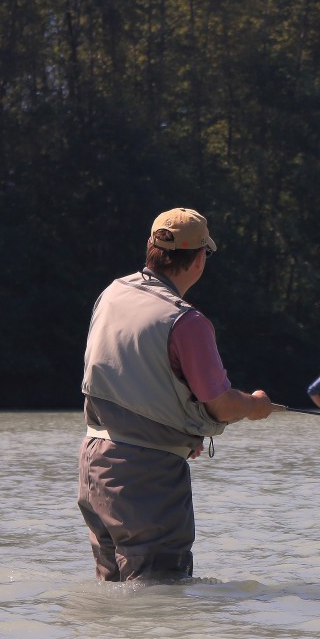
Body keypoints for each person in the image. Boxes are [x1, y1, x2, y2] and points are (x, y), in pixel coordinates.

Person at [78, 207, 275, 582]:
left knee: (113, 590)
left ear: (150, 247)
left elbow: (123, 380)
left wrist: (179, 433)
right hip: (146, 476)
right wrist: (255, 406)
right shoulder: (186, 321)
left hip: (93, 465)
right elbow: (220, 404)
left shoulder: (112, 294)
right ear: (199, 259)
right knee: (160, 594)